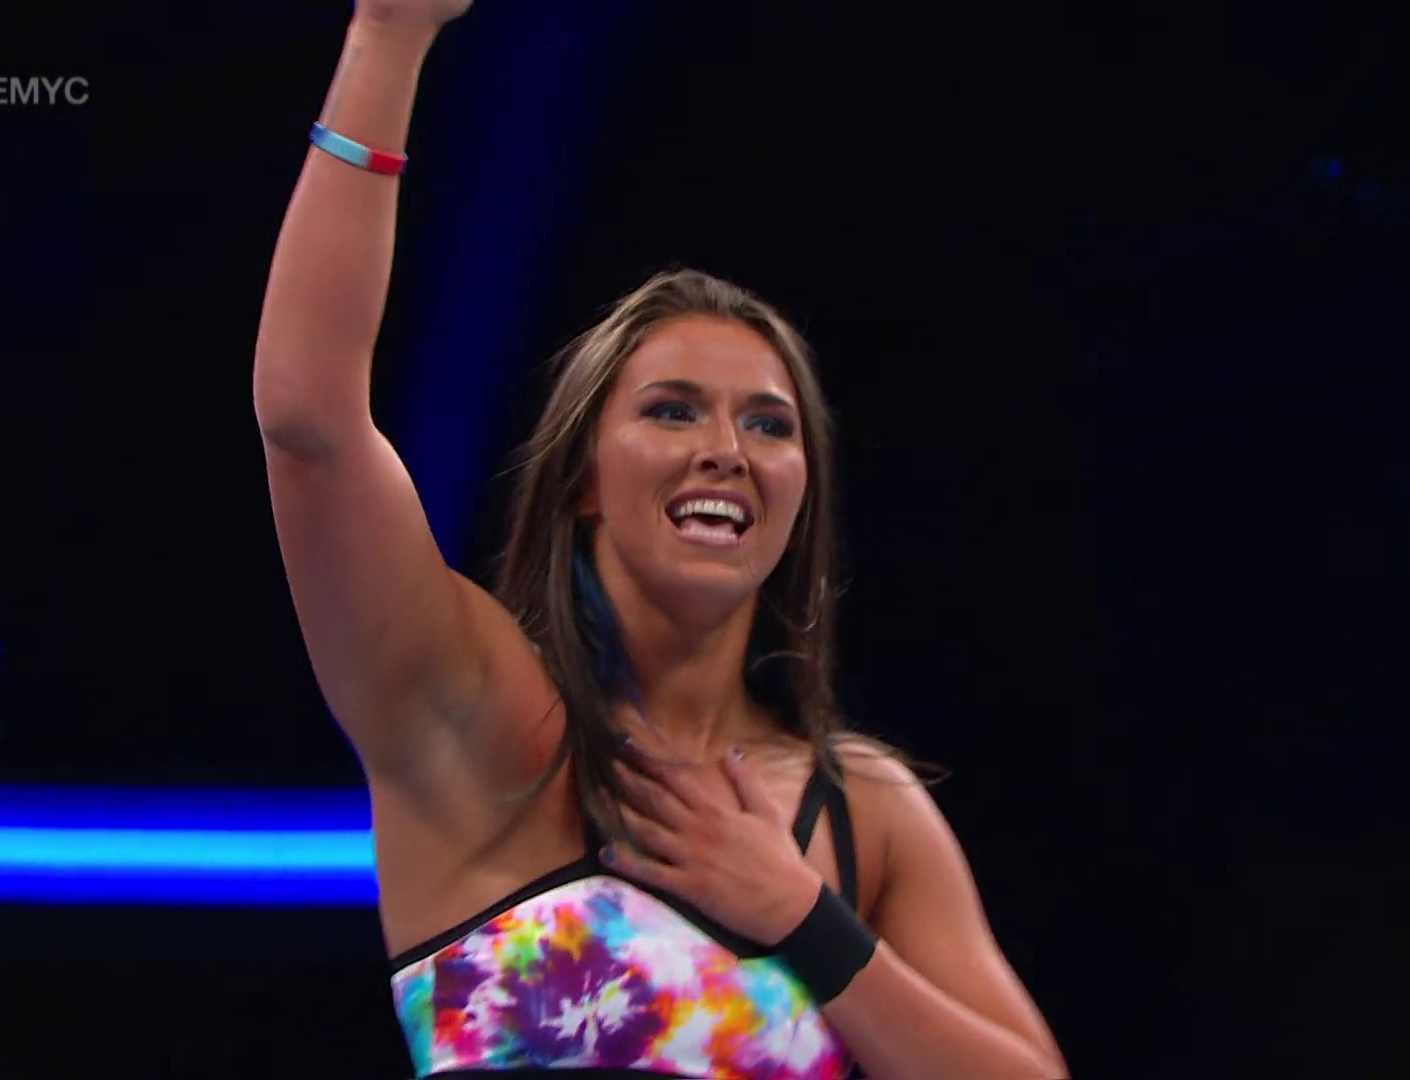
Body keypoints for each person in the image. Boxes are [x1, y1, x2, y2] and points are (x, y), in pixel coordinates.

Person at [252, 2, 1067, 1077]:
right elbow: (308, 420)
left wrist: (804, 919)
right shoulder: (470, 705)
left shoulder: (863, 808)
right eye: (673, 411)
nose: (725, 450)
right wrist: (386, 38)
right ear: (584, 479)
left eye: (767, 425)